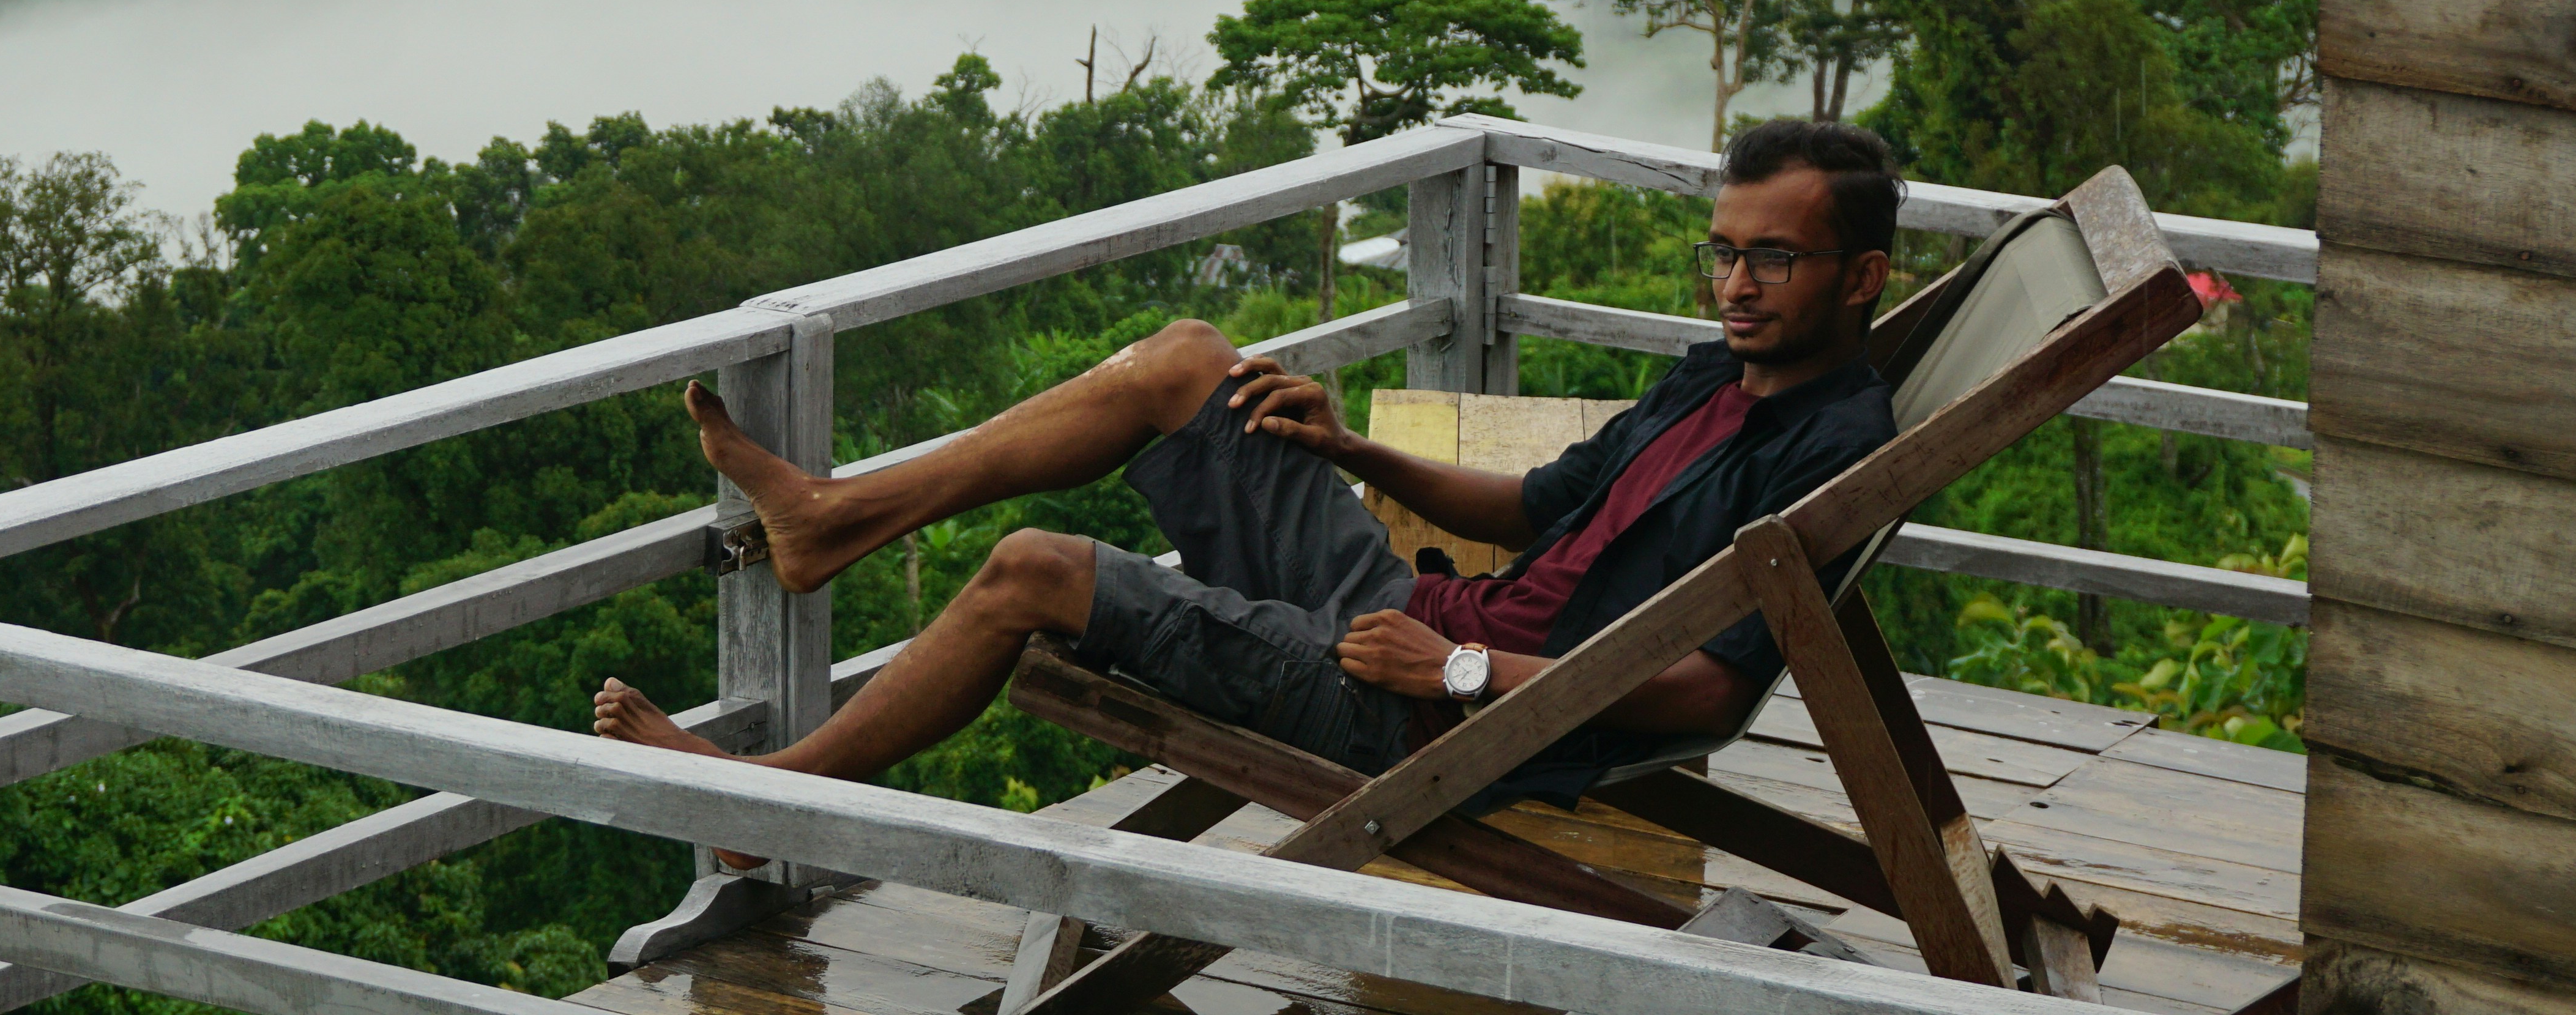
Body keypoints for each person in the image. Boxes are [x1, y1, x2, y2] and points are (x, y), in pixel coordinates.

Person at [594, 119, 1905, 831]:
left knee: (1036, 573)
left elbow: (1708, 676)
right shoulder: (1708, 378)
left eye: (1772, 258)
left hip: (1440, 712)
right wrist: (1350, 450)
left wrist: (1452, 675)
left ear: (1860, 277)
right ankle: (832, 518)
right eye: (1723, 252)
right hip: (1422, 621)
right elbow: (1534, 507)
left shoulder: (1831, 450)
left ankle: (776, 793)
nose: (1735, 284)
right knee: (1189, 360)